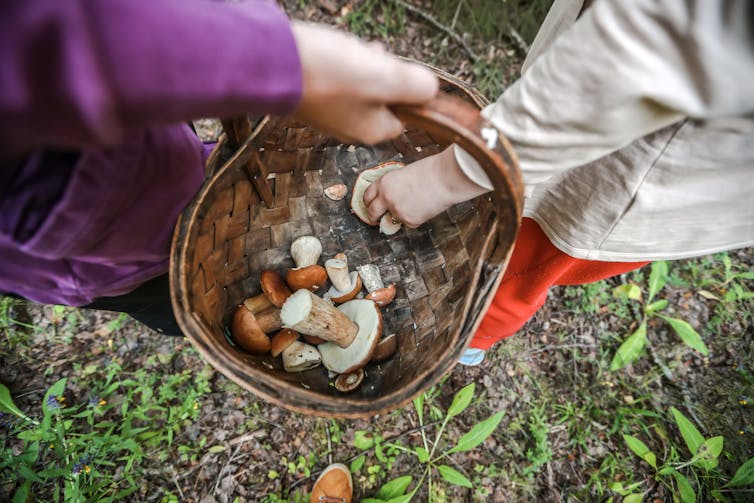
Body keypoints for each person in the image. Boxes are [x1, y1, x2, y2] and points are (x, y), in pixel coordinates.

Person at [0, 0, 438, 332]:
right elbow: (38, 46)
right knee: (177, 304)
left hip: (134, 159)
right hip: (94, 251)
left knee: (188, 185)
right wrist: (287, 63)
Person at [362, 0, 754, 365]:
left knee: (515, 269)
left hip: (631, 177)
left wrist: (448, 177)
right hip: (576, 112)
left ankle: (469, 339)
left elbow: (656, 45)